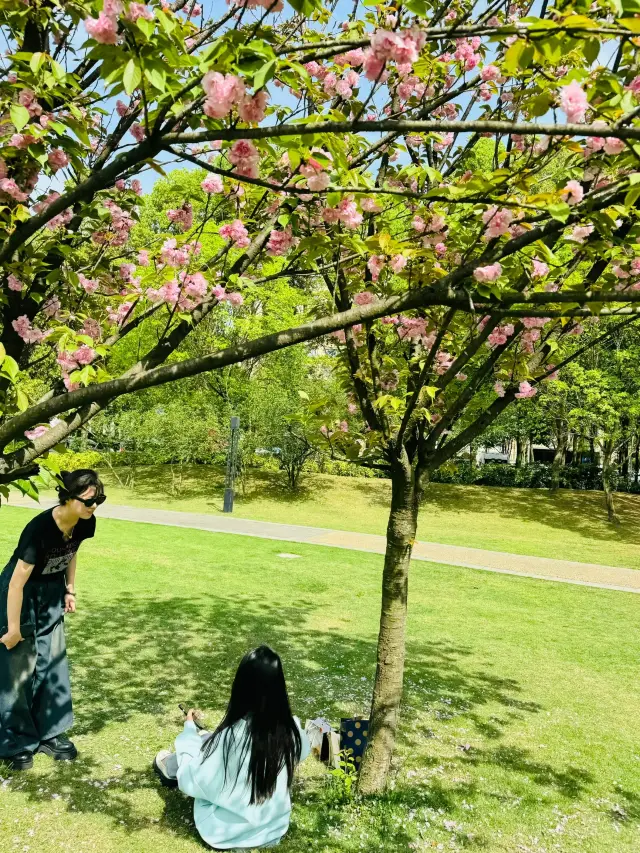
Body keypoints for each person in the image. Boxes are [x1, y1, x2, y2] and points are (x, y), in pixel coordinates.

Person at [154, 646, 310, 850]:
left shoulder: (230, 738)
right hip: (273, 827)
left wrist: (188, 732)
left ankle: (170, 764)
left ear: (241, 687)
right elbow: (302, 751)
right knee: (208, 742)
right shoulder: (293, 729)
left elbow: (192, 780)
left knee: (195, 754)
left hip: (228, 832)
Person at [0, 469, 105, 771]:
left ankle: (50, 733)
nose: (94, 506)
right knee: (17, 671)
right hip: (18, 596)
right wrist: (14, 628)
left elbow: (71, 553)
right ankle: (16, 739)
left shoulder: (85, 522)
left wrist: (69, 589)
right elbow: (16, 583)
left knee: (52, 662)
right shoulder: (40, 528)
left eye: (100, 500)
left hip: (50, 594)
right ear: (69, 498)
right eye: (89, 500)